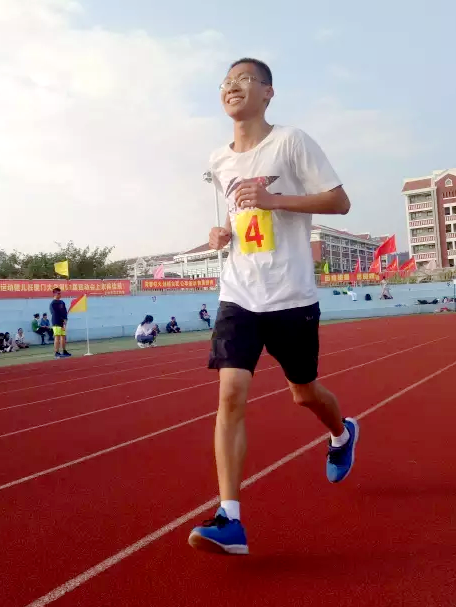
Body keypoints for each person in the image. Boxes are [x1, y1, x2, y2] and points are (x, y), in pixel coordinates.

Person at [188, 58, 358, 555]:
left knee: (303, 393)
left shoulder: (291, 142)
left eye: (244, 80)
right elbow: (238, 219)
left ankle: (341, 433)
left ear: (268, 92)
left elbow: (339, 202)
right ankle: (230, 519)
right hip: (239, 292)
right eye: (226, 82)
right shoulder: (218, 160)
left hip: (290, 294)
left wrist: (275, 200)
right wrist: (220, 235)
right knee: (230, 395)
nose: (232, 87)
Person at [50, 288, 71, 358]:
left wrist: (65, 319)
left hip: (63, 323)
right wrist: (62, 319)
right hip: (56, 322)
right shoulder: (53, 303)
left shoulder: (62, 302)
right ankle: (57, 352)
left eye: (60, 293)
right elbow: (55, 313)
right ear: (54, 294)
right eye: (58, 293)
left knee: (63, 337)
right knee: (57, 337)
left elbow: (65, 311)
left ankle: (64, 351)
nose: (60, 295)